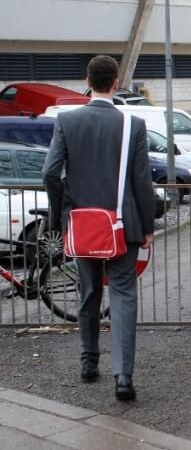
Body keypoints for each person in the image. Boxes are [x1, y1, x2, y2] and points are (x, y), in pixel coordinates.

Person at [42, 55, 156, 401]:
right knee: (123, 296)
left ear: (87, 81)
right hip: (124, 225)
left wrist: (61, 213)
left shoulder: (67, 122)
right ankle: (123, 378)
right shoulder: (132, 125)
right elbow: (142, 180)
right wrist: (147, 224)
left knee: (89, 292)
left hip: (83, 224)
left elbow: (50, 172)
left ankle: (89, 362)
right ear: (116, 82)